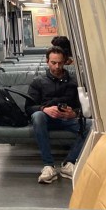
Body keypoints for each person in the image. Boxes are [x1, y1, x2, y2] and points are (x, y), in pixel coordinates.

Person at [25, 46, 89, 184]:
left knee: (92, 125)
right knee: (37, 116)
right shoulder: (38, 82)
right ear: (47, 62)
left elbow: (82, 108)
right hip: (45, 118)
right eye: (53, 63)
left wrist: (74, 113)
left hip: (67, 119)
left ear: (65, 62)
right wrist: (44, 109)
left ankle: (69, 162)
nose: (57, 66)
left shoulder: (74, 83)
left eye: (60, 63)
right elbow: (29, 108)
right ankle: (48, 165)